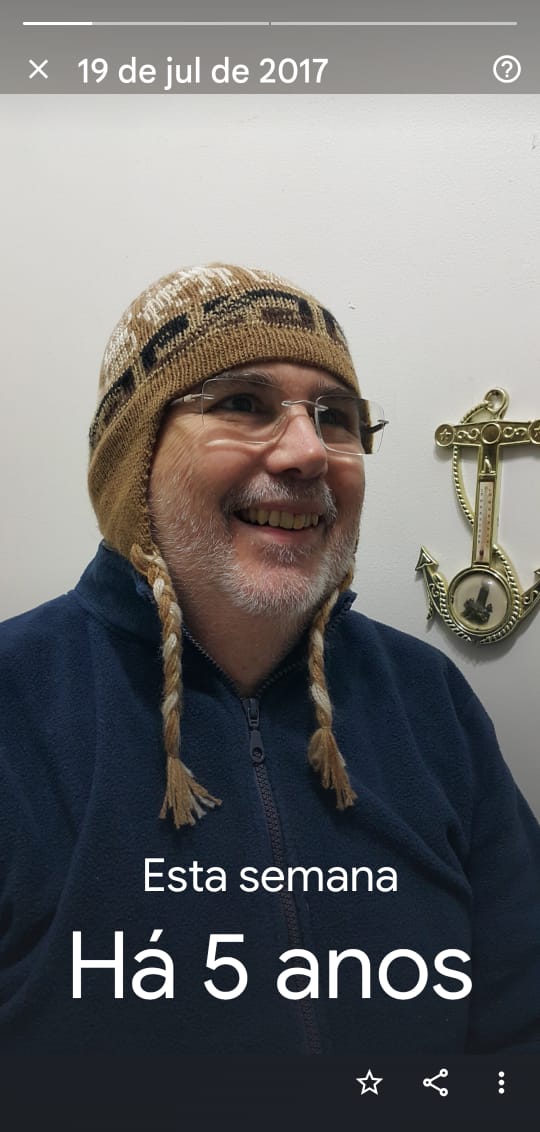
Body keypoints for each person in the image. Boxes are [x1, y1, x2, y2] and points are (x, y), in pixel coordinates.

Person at [1, 263, 539, 1055]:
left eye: (338, 417)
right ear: (133, 459)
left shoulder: (429, 698)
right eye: (243, 404)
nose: (308, 452)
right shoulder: (16, 701)